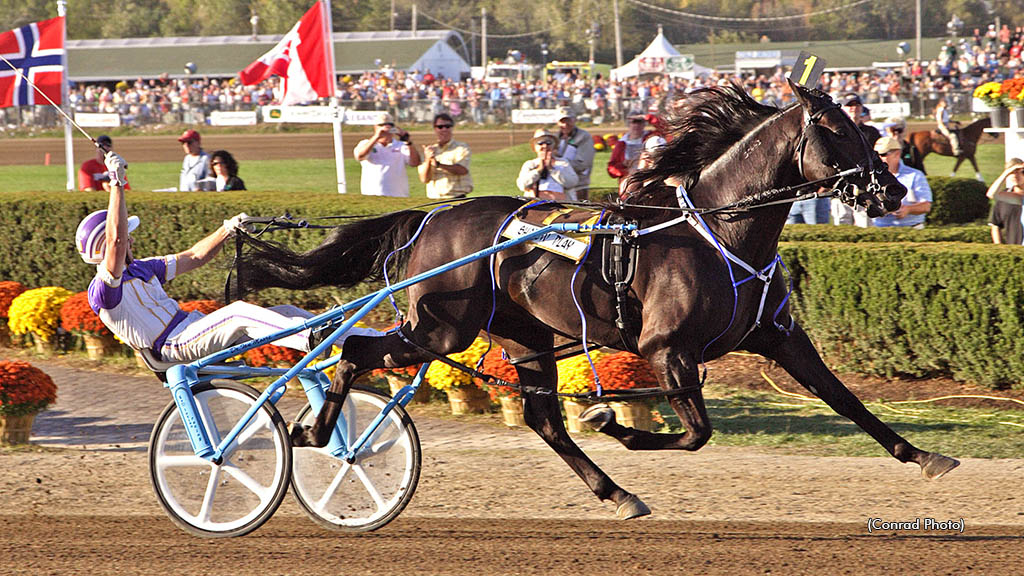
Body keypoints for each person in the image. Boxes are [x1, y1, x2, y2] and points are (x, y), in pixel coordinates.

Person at [76, 151, 378, 364]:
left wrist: (227, 229)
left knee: (285, 310)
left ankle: (368, 338)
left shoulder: (143, 268)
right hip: (174, 345)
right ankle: (308, 339)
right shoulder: (103, 290)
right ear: (106, 245)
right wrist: (116, 182)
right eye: (127, 236)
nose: (130, 239)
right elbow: (115, 240)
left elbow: (194, 256)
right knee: (238, 312)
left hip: (193, 329)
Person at [833, 93, 882, 226]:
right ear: (843, 108)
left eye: (857, 105)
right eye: (850, 105)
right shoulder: (835, 132)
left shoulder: (871, 132)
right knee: (841, 227)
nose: (854, 108)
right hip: (842, 189)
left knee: (865, 225)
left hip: (865, 190)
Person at [354, 112, 422, 197]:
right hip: (372, 195)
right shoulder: (366, 144)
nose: (386, 128)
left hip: (399, 196)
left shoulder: (402, 145)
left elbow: (415, 163)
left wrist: (408, 141)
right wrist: (377, 137)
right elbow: (360, 156)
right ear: (375, 127)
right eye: (381, 125)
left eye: (389, 125)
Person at [871, 136, 932, 229]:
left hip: (912, 229)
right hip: (879, 229)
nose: (878, 158)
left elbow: (926, 206)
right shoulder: (871, 177)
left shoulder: (915, 175)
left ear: (897, 154)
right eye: (875, 155)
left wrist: (908, 209)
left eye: (883, 154)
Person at [418, 113, 472, 199]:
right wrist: (428, 159)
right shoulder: (430, 150)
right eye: (440, 127)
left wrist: (439, 165)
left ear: (452, 128)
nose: (444, 129)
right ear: (435, 129)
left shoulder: (461, 148)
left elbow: (462, 170)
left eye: (447, 126)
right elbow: (424, 179)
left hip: (455, 197)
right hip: (433, 198)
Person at [516, 128, 578, 201]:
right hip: (535, 205)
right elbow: (522, 185)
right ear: (535, 148)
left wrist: (552, 169)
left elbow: (572, 183)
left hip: (562, 205)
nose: (545, 146)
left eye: (548, 143)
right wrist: (538, 170)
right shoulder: (530, 164)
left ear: (554, 146)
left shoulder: (563, 163)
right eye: (540, 143)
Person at [554, 106, 595, 201]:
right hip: (558, 186)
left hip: (578, 186)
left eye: (568, 120)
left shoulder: (584, 137)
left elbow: (583, 164)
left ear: (574, 120)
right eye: (562, 121)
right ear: (557, 122)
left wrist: (557, 164)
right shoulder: (555, 138)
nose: (565, 125)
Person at [987, 158, 1024, 244]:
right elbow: (992, 194)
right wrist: (1007, 172)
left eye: (1020, 172)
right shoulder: (1018, 198)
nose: (1015, 175)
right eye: (1013, 173)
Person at [607, 112, 650, 186]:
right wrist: (624, 168)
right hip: (628, 183)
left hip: (647, 180)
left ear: (644, 124)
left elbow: (664, 128)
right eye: (633, 122)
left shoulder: (650, 138)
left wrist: (648, 117)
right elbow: (611, 168)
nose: (636, 125)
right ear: (629, 124)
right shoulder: (621, 144)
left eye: (639, 122)